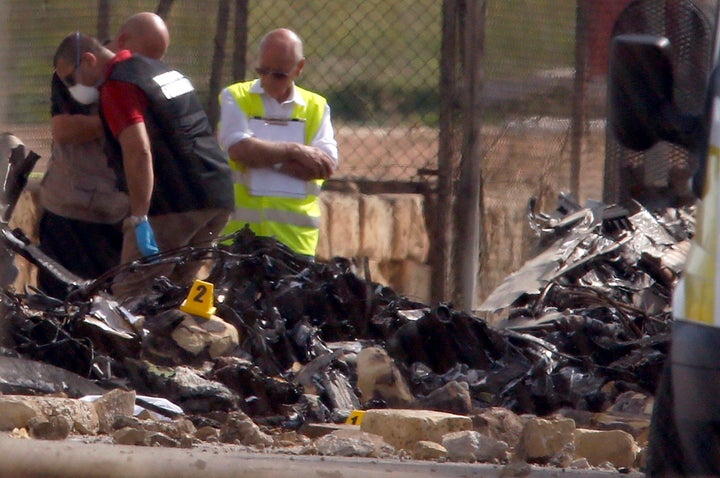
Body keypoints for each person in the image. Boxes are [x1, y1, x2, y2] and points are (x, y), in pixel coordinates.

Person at [52, 32, 234, 299]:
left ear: (89, 60)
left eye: (70, 78)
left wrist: (139, 217)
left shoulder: (117, 85)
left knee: (130, 294)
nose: (71, 87)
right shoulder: (156, 68)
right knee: (178, 293)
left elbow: (139, 151)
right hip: (216, 195)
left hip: (174, 204)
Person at [38, 12, 170, 298]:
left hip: (115, 215)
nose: (143, 68)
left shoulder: (146, 79)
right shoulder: (73, 73)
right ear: (122, 42)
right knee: (55, 307)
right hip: (69, 209)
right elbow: (63, 130)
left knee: (104, 311)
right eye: (141, 57)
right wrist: (122, 119)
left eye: (153, 62)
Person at [217, 28, 338, 258]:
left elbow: (325, 165)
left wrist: (261, 157)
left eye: (279, 74)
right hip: (240, 238)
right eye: (263, 70)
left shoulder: (316, 106)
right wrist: (295, 151)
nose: (268, 79)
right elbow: (239, 149)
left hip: (295, 242)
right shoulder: (236, 97)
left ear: (299, 68)